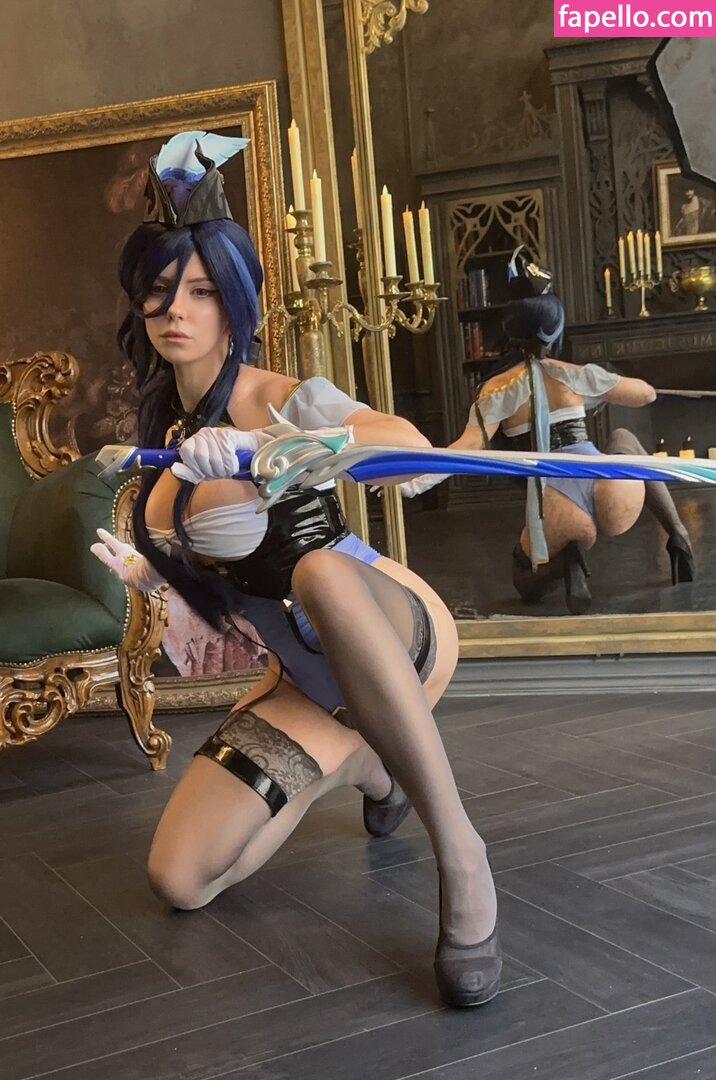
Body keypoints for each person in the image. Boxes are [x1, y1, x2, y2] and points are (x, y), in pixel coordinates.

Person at [91, 131, 501, 1008]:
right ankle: (366, 762)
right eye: (160, 291)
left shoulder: (281, 397)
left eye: (201, 291)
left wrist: (275, 446)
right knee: (180, 880)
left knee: (316, 573)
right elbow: (223, 582)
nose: (175, 310)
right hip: (305, 684)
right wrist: (154, 572)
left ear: (234, 303)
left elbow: (407, 447)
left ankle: (461, 854)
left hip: (391, 635)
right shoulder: (164, 427)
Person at [401, 252, 695, 614]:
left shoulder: (495, 390)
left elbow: (467, 446)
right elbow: (644, 395)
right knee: (624, 439)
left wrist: (413, 481)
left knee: (523, 579)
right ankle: (678, 534)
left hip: (558, 506)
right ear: (555, 328)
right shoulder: (575, 374)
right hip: (613, 489)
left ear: (512, 330)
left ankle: (568, 561)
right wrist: (602, 389)